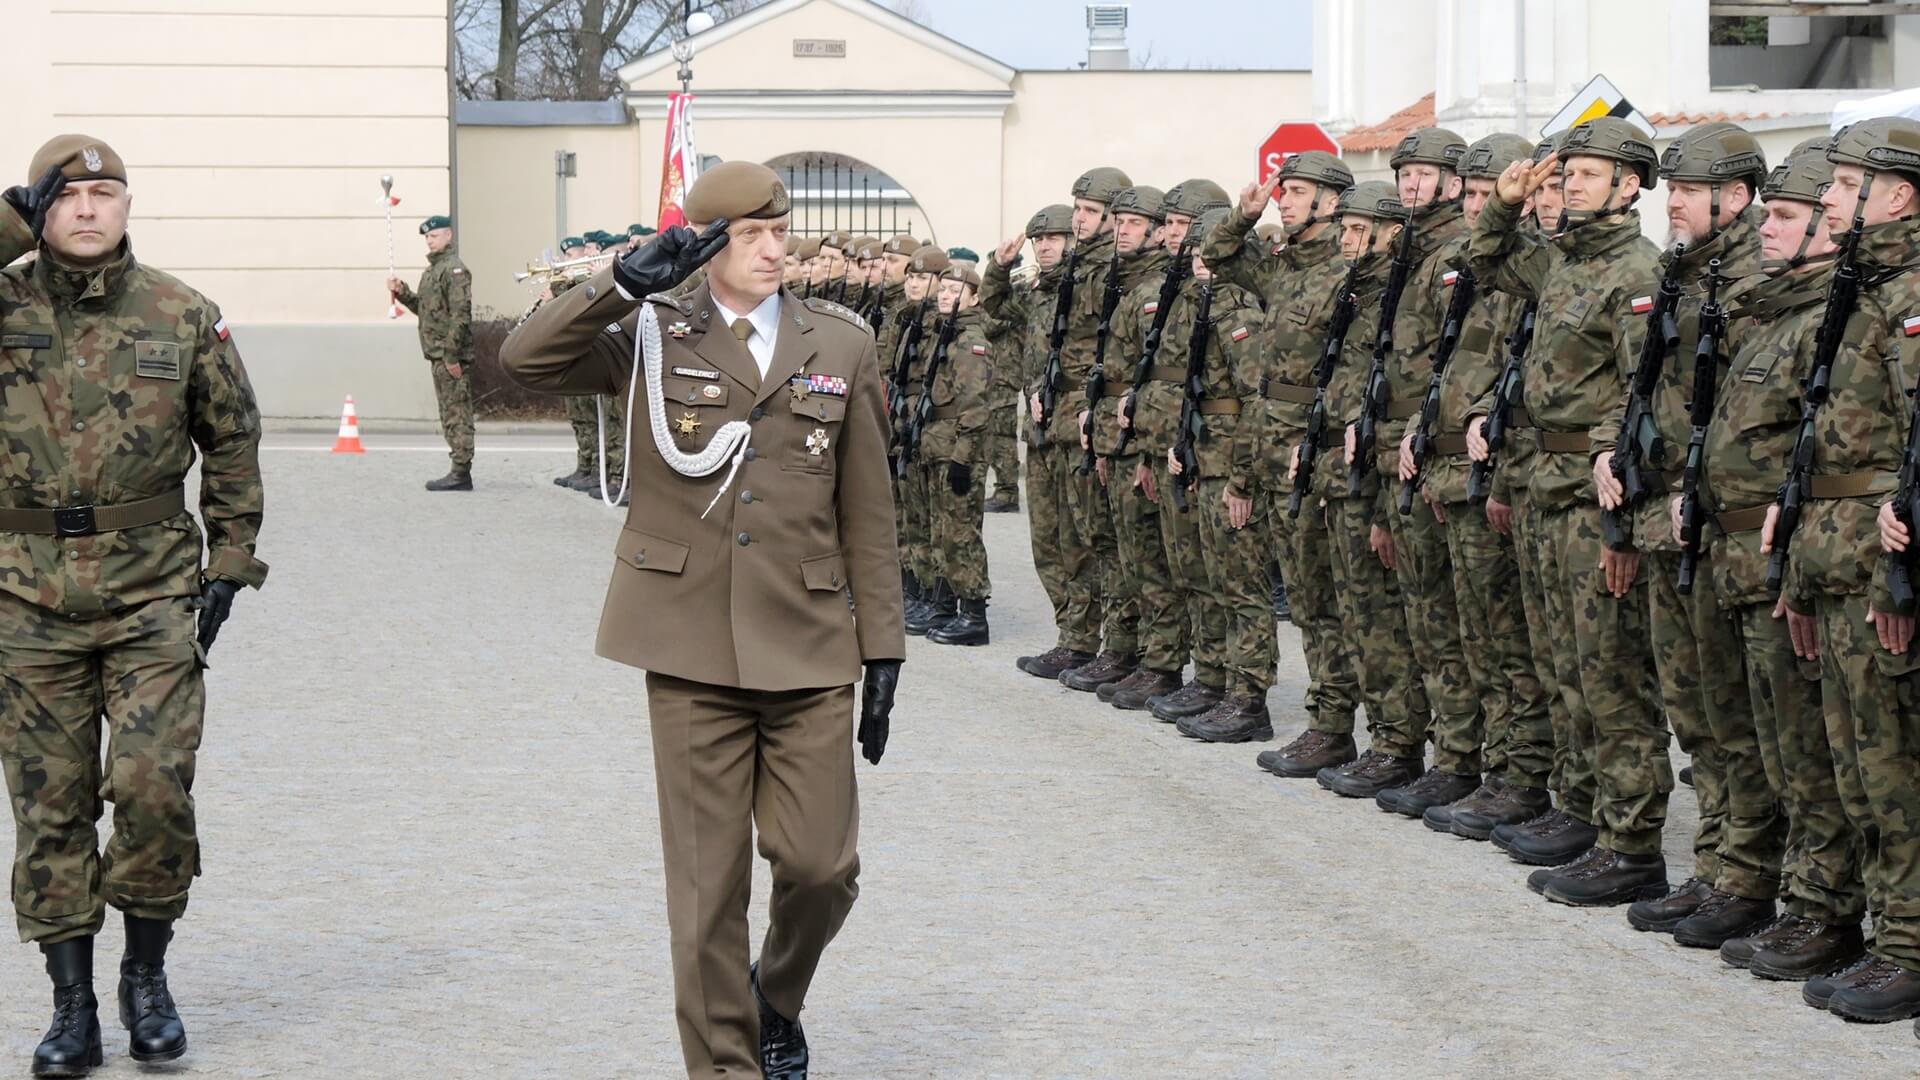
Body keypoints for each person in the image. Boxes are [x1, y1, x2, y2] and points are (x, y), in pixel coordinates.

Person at [500, 160, 904, 1079]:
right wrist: (617, 282)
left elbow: (869, 512)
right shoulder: (652, 331)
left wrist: (884, 648)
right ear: (707, 245)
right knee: (706, 893)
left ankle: (776, 996)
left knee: (821, 868)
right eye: (750, 234)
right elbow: (526, 361)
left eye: (779, 231)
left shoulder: (841, 343)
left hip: (808, 645)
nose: (773, 249)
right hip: (687, 646)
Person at [0, 134, 268, 1075]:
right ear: (38, 210)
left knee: (154, 787)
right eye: (66, 196)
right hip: (23, 594)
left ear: (128, 206)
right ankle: (70, 1006)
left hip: (151, 591)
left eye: (105, 192)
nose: (87, 209)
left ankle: (145, 976)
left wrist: (230, 558)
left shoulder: (180, 312)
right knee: (50, 804)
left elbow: (232, 439)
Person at [1467, 117, 1668, 904]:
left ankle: (1631, 845)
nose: (1569, 187)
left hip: (1591, 498)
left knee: (1610, 675)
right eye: (1564, 175)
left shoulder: (1636, 271)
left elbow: (1641, 394)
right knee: (1563, 666)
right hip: (1543, 486)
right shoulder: (1563, 261)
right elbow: (1485, 261)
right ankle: (1581, 810)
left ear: (1628, 185)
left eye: (1584, 175)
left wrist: (1622, 522)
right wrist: (1505, 202)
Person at [1687, 140, 1870, 982]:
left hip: (1797, 558)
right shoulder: (1774, 313)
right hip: (1741, 553)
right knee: (1765, 740)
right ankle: (1783, 891)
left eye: (1789, 217)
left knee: (1812, 750)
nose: (1769, 228)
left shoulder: (1833, 319)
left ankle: (1826, 910)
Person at [1606, 122, 1778, 945]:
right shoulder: (1683, 271)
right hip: (1667, 516)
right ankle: (1714, 867)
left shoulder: (1755, 281)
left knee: (1734, 714)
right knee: (1696, 711)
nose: (1672, 202)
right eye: (1670, 189)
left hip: (1717, 523)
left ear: (1735, 196)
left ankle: (1746, 877)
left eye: (1688, 190)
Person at [1785, 117, 1920, 1024]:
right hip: (1835, 560)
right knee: (1859, 770)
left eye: (1843, 183)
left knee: (1895, 769)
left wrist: (1895, 577)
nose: (1828, 198)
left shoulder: (1909, 295)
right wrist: (1804, 572)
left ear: (1897, 194)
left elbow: (1911, 458)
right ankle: (1885, 934)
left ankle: (1909, 947)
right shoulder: (1862, 288)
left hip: (1880, 571)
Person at [1202, 151, 1363, 775]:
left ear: (1330, 201)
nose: (1284, 201)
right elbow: (1218, 255)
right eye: (1283, 191)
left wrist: (1324, 453)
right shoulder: (1284, 269)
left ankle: (1334, 726)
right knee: (1303, 597)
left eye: (1297, 191)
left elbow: (1352, 373)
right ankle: (1327, 725)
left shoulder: (1346, 273)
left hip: (1313, 455)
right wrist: (1243, 215)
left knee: (1324, 603)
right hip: (1272, 450)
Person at [1366, 128, 1478, 815]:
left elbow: (1457, 363)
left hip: (1434, 446)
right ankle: (1428, 748)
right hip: (1398, 443)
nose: (1411, 184)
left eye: (1425, 174)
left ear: (1453, 182)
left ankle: (1461, 757)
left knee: (1447, 618)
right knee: (1420, 613)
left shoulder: (1457, 251)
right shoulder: (1405, 250)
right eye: (1404, 173)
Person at [1065, 184, 1167, 696]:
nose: (1123, 230)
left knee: (1147, 558)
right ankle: (1123, 649)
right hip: (1111, 430)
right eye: (1120, 221)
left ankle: (1155, 660)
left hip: (1140, 434)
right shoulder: (1116, 278)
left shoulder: (1155, 286)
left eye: (1133, 223)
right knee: (1117, 550)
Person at [983, 208, 1074, 669]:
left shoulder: (1085, 288)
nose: (1045, 245)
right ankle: (1072, 634)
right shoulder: (1036, 293)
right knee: (1046, 542)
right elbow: (993, 305)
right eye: (1040, 239)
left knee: (1081, 543)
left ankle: (1093, 641)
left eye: (1055, 237)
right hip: (1039, 432)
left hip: (1074, 432)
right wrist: (999, 267)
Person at [918, 262, 995, 646]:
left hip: (957, 450)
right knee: (942, 531)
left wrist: (963, 459)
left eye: (955, 291)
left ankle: (974, 614)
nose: (946, 296)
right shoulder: (946, 333)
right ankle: (946, 605)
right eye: (943, 289)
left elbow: (975, 408)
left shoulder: (969, 342)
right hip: (939, 445)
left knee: (962, 533)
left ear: (974, 298)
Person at [389, 214, 475, 491]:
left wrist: (451, 356)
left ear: (448, 235)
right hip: (437, 355)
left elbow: (460, 317)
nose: (429, 240)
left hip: (449, 357)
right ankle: (458, 469)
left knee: (457, 414)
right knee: (448, 413)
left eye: (434, 235)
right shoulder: (433, 271)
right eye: (427, 237)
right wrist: (403, 293)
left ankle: (461, 472)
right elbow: (427, 311)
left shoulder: (453, 270)